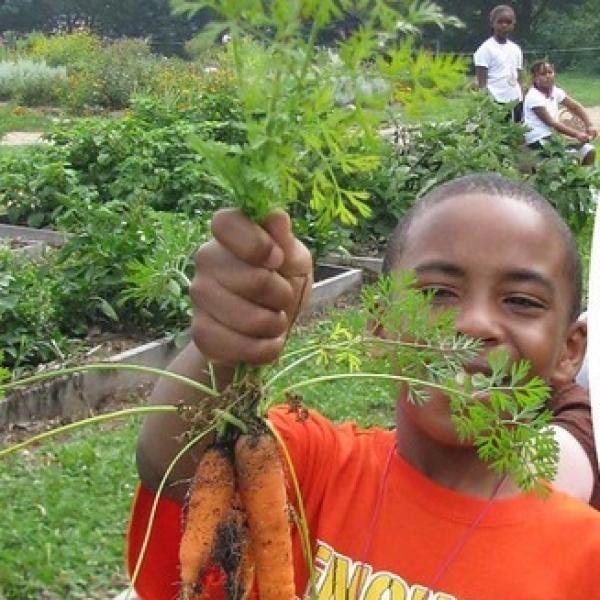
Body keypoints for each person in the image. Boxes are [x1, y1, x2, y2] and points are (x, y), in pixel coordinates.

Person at [128, 173, 600, 599]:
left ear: (570, 351)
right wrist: (224, 347)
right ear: (378, 327)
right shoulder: (308, 465)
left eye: (521, 300)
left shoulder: (586, 557)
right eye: (436, 293)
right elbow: (172, 465)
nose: (474, 322)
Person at [523, 60, 597, 166]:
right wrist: (577, 134)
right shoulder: (533, 97)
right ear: (535, 78)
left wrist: (589, 125)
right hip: (538, 140)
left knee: (589, 151)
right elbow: (552, 123)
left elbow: (575, 107)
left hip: (554, 138)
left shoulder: (555, 91)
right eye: (543, 74)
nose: (548, 76)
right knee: (568, 161)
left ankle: (585, 179)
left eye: (550, 72)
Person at [473, 5, 524, 122]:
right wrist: (487, 104)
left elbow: (519, 77)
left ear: (513, 25)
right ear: (492, 24)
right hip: (496, 102)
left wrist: (522, 97)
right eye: (500, 22)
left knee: (515, 136)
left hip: (515, 101)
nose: (504, 25)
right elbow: (481, 83)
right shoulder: (485, 49)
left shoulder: (516, 49)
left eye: (508, 22)